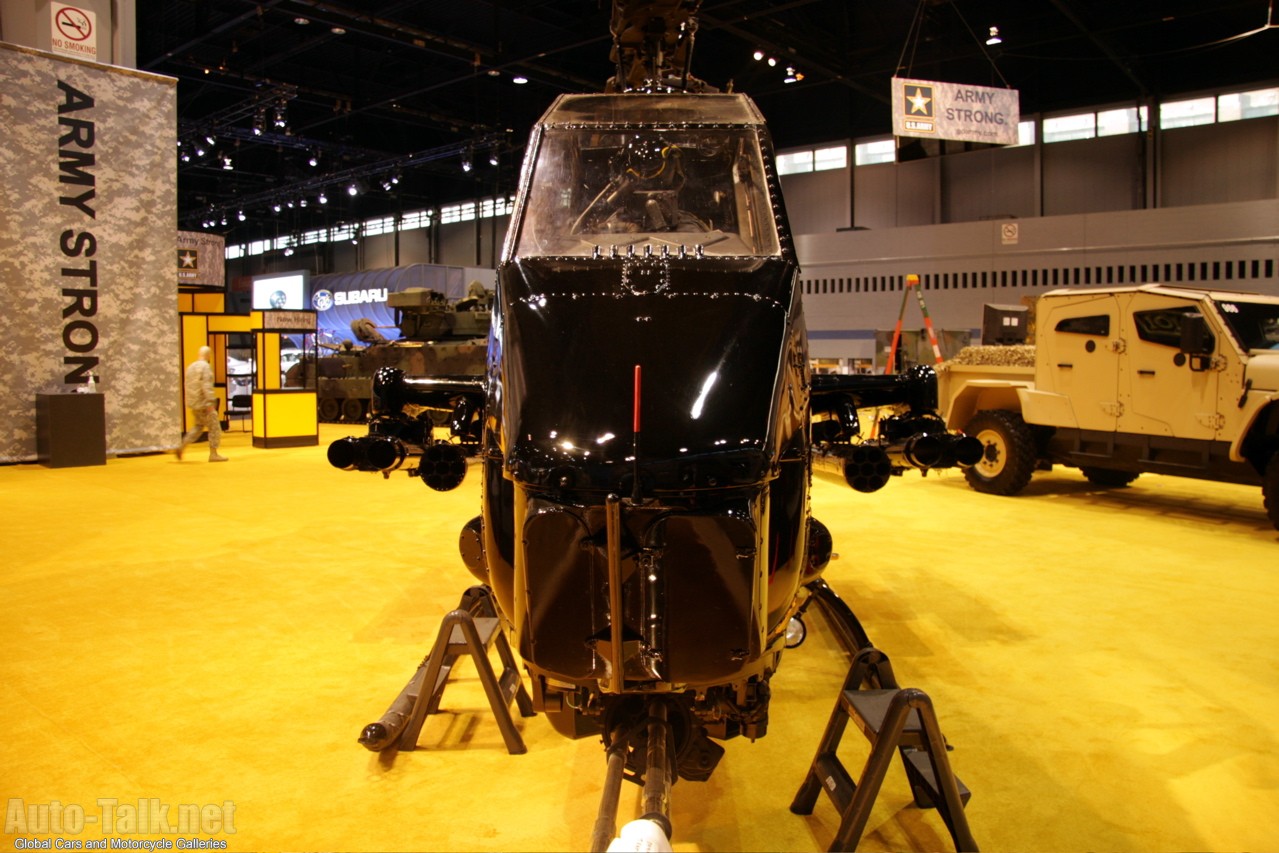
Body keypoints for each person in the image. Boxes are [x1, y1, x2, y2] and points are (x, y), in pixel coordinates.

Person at [176, 345, 228, 462]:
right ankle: (213, 454)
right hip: (205, 404)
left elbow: (187, 386)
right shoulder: (206, 367)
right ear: (208, 355)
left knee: (198, 427)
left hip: (194, 403)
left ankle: (182, 445)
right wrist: (210, 402)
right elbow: (206, 386)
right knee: (214, 427)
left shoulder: (191, 367)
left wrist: (190, 402)